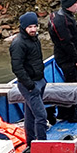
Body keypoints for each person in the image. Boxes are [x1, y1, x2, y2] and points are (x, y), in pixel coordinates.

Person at [46, 0, 77, 123]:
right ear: (69, 5)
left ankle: (65, 111)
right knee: (72, 84)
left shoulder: (65, 15)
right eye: (76, 3)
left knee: (72, 83)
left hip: (68, 55)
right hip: (67, 58)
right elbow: (66, 42)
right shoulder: (61, 19)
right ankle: (70, 114)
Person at [10, 11, 47, 144]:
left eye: (35, 26)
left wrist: (42, 80)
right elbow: (17, 68)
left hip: (40, 81)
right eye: (30, 27)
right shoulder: (18, 44)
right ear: (24, 27)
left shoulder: (34, 39)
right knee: (41, 116)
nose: (33, 29)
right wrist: (30, 85)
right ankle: (42, 144)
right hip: (29, 85)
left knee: (30, 115)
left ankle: (31, 142)